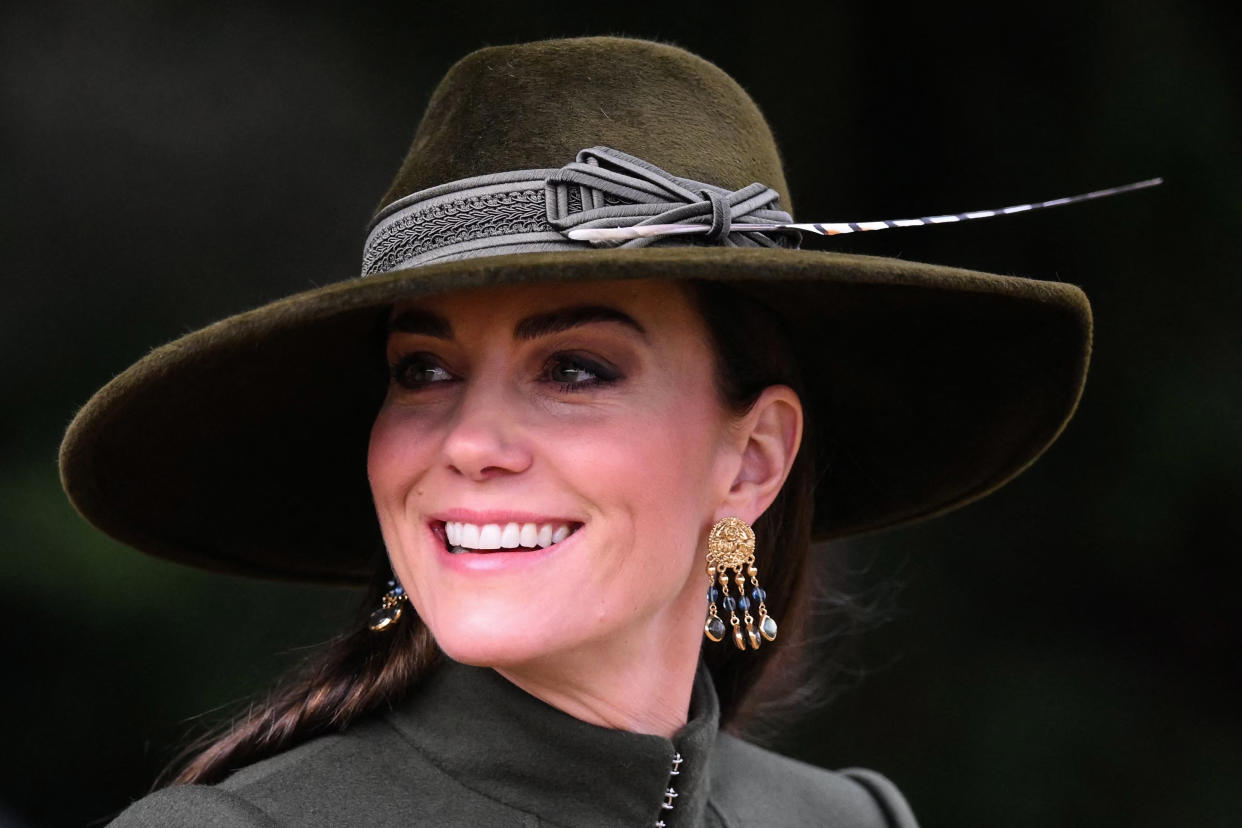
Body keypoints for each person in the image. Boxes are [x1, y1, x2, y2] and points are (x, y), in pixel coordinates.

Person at [59, 36, 1091, 827]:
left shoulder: (850, 821)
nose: (471, 441)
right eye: (423, 370)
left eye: (575, 370)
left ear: (753, 458)